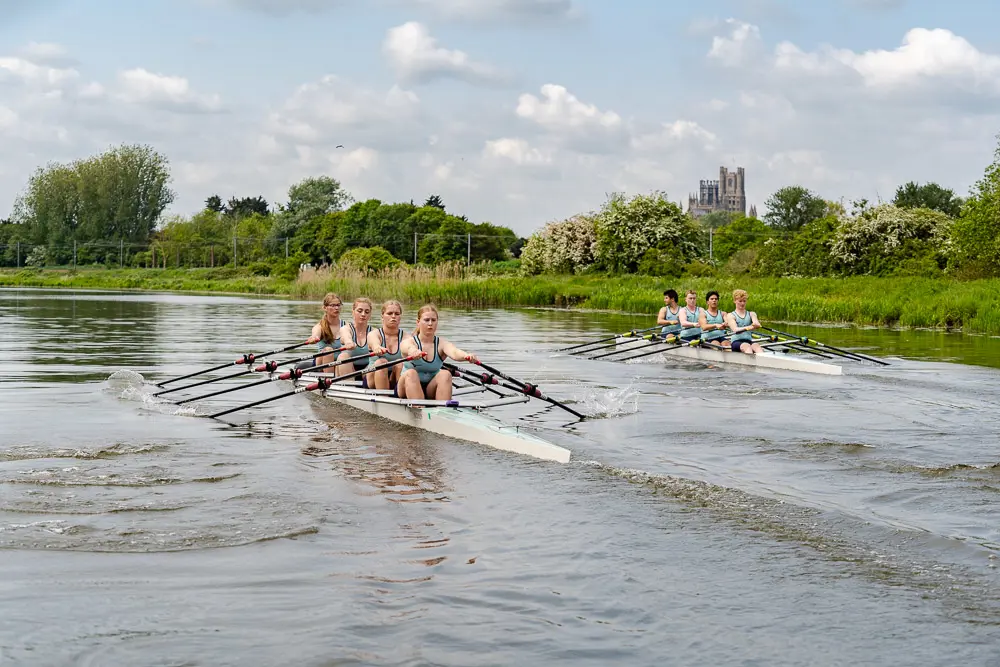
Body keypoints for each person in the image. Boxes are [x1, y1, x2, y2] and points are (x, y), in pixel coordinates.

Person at [398, 304, 480, 401]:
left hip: (430, 388)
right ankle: (419, 409)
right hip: (405, 387)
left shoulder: (442, 344)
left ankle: (443, 411)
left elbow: (454, 352)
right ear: (418, 322)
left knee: (445, 374)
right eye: (426, 320)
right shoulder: (409, 341)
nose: (430, 323)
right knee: (411, 373)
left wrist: (467, 355)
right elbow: (407, 347)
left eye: (433, 320)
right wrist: (414, 351)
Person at [366, 299, 405, 390]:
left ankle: (400, 395)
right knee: (381, 362)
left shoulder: (406, 337)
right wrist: (377, 347)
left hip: (394, 376)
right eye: (389, 313)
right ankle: (384, 398)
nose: (393, 316)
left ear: (400, 317)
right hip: (373, 378)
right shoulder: (374, 334)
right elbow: (374, 342)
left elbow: (410, 346)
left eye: (397, 314)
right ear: (382, 316)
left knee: (400, 364)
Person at [335, 297, 374, 378]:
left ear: (370, 315)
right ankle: (347, 387)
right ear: (353, 312)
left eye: (367, 312)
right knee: (343, 356)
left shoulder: (374, 332)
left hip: (366, 370)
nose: (363, 314)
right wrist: (349, 343)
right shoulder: (346, 329)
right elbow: (346, 337)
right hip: (347, 368)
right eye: (360, 311)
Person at [305, 292, 344, 368]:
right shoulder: (319, 327)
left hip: (339, 363)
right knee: (328, 350)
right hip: (321, 363)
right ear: (325, 308)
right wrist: (313, 338)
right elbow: (315, 334)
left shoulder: (346, 326)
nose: (336, 308)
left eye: (338, 305)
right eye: (333, 305)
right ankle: (327, 377)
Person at [725, 289, 765, 354]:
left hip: (748, 341)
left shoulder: (752, 314)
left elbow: (756, 323)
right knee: (747, 347)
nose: (742, 303)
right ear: (735, 301)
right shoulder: (731, 315)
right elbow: (735, 330)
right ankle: (750, 363)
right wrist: (749, 327)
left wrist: (756, 324)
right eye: (740, 301)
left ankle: (763, 362)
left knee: (757, 346)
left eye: (744, 301)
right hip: (736, 342)